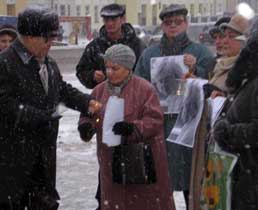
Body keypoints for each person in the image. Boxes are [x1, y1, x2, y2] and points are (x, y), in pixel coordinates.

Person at [0, 5, 98, 210]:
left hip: (43, 162)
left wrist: (86, 102)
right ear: (29, 37)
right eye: (47, 38)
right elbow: (4, 104)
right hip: (13, 163)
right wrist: (39, 116)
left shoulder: (48, 62)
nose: (51, 43)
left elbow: (61, 89)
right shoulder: (5, 63)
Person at [77, 44, 176, 210]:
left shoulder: (144, 89)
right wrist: (86, 126)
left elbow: (155, 120)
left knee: (144, 202)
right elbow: (88, 114)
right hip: (110, 160)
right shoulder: (99, 91)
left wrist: (133, 129)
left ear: (128, 68)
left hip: (142, 159)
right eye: (107, 67)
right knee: (115, 200)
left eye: (115, 68)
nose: (109, 72)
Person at [135, 4, 213, 209]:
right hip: (159, 126)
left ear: (186, 24)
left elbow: (213, 86)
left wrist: (197, 68)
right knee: (161, 184)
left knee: (193, 184)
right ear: (162, 26)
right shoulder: (150, 54)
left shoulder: (200, 52)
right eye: (168, 23)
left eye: (178, 22)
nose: (173, 26)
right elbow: (138, 84)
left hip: (190, 128)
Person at [213, 18, 258, 210]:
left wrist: (227, 132)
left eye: (252, 44)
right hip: (250, 174)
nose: (247, 50)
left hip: (257, 180)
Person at [188, 13, 249, 210]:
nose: (222, 41)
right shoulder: (220, 65)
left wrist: (221, 96)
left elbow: (242, 105)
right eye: (221, 36)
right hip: (211, 144)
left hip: (227, 151)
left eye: (230, 36)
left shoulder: (245, 68)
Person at [76, 3, 146, 89]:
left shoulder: (136, 44)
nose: (110, 23)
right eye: (106, 20)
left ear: (122, 19)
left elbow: (146, 71)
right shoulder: (95, 46)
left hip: (134, 97)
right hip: (104, 98)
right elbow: (81, 71)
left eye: (113, 19)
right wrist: (92, 76)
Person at [204, 13, 249, 99]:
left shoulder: (245, 70)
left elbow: (244, 101)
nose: (224, 41)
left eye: (231, 36)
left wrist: (225, 98)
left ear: (245, 41)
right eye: (225, 36)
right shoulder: (220, 65)